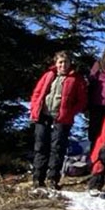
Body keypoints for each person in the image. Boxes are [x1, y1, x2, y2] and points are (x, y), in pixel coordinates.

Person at [29, 51, 88, 190]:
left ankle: (52, 179)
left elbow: (82, 100)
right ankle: (38, 178)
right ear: (56, 63)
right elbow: (37, 93)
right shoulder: (48, 75)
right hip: (43, 116)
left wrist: (70, 112)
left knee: (57, 148)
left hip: (62, 118)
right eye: (60, 62)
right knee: (40, 146)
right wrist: (34, 107)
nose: (63, 65)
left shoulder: (76, 79)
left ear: (70, 63)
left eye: (66, 62)